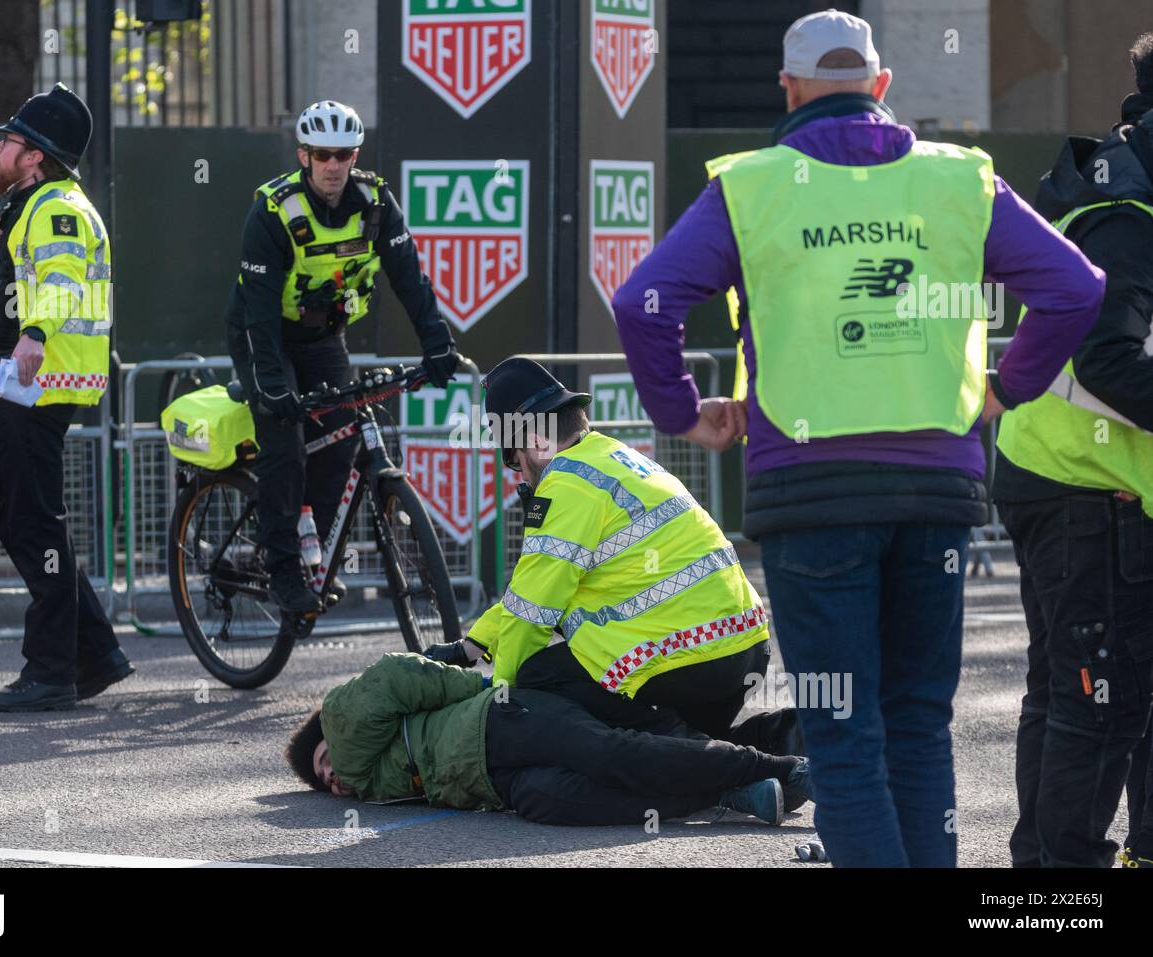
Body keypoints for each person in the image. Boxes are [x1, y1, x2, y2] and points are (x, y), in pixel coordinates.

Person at [612, 9, 1105, 866]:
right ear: (881, 87)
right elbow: (1075, 286)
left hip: (810, 499)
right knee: (919, 726)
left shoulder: (753, 185)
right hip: (934, 497)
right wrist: (1004, 390)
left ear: (789, 89)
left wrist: (688, 413)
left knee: (843, 736)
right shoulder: (958, 181)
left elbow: (641, 302)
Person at [426, 357, 802, 771]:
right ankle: (795, 737)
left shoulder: (567, 485)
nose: (521, 472)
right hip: (741, 648)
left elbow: (532, 615)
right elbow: (529, 596)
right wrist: (473, 645)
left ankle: (715, 767)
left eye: (514, 458)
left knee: (539, 677)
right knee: (688, 740)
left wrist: (497, 699)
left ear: (534, 441)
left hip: (686, 660)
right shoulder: (616, 458)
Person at [992, 33, 1153, 869]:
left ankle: (1044, 884)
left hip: (1055, 472)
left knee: (1068, 692)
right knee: (1098, 703)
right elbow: (1110, 361)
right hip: (1086, 484)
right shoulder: (1129, 215)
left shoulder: (1116, 185)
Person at [225, 100, 459, 616]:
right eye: (323, 155)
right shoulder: (274, 209)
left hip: (324, 337)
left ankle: (317, 552)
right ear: (304, 155)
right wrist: (271, 386)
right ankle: (284, 570)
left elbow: (410, 280)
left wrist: (437, 344)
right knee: (285, 445)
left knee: (339, 441)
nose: (334, 166)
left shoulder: (376, 203)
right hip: (263, 336)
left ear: (356, 156)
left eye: (344, 155)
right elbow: (259, 312)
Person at [0, 83, 132, 712]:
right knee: (25, 519)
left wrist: (34, 333)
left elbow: (61, 279)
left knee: (33, 523)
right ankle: (97, 653)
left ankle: (52, 670)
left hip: (36, 380)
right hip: (12, 381)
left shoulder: (56, 209)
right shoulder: (19, 206)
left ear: (34, 155)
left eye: (9, 140)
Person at [286, 652, 812, 826]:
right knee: (564, 799)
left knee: (614, 754)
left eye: (324, 760)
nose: (332, 777)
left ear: (329, 733)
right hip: (502, 786)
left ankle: (782, 768)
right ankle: (730, 790)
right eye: (324, 782)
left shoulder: (347, 717)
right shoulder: (372, 783)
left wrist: (487, 689)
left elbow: (399, 673)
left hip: (497, 720)